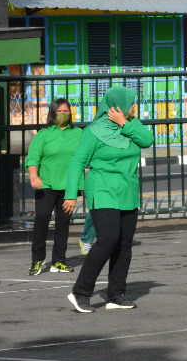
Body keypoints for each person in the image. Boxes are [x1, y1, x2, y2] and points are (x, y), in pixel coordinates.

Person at [64, 86, 154, 313]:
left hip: (127, 191)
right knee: (108, 239)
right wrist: (71, 194)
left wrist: (125, 122)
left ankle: (115, 295)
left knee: (124, 244)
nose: (134, 107)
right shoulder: (94, 131)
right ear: (117, 105)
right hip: (102, 188)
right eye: (130, 103)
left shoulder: (131, 126)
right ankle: (80, 292)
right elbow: (77, 162)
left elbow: (148, 140)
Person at [26, 98, 80, 275]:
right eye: (60, 111)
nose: (63, 114)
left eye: (66, 111)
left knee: (63, 224)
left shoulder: (79, 133)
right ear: (53, 113)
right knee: (41, 220)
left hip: (68, 186)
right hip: (46, 185)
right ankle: (37, 260)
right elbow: (33, 158)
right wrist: (34, 175)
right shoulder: (44, 134)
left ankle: (59, 261)